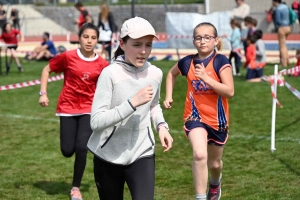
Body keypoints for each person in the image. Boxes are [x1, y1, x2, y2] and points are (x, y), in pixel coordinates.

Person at [87, 17, 173, 200]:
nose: (143, 51)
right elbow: (96, 122)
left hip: (142, 152)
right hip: (107, 156)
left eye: (148, 45)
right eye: (137, 45)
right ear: (122, 44)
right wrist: (131, 103)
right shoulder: (109, 73)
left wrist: (162, 126)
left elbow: (154, 105)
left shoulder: (155, 73)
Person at [38, 23, 109, 200]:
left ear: (97, 40)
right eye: (86, 37)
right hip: (67, 107)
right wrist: (43, 93)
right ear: (79, 37)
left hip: (88, 109)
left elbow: (111, 82)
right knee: (67, 150)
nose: (89, 41)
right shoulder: (68, 57)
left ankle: (75, 188)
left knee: (81, 147)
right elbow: (46, 69)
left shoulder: (102, 63)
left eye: (93, 38)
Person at [164, 22, 234, 200]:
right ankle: (200, 197)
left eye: (207, 37)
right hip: (194, 117)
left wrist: (206, 78)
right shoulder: (187, 62)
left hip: (218, 121)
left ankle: (215, 183)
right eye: (198, 37)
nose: (202, 41)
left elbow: (230, 91)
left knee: (214, 163)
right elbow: (171, 74)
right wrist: (168, 96)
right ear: (193, 40)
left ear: (215, 40)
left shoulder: (220, 61)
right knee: (200, 154)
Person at [272, 0, 291, 67]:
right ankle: (288, 61)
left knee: (282, 46)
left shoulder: (278, 9)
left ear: (275, 1)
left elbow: (278, 20)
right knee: (284, 45)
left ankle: (284, 63)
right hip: (288, 26)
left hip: (282, 27)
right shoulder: (286, 7)